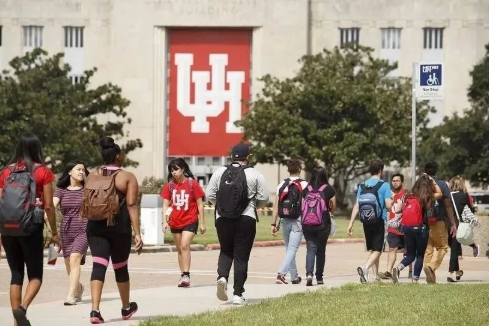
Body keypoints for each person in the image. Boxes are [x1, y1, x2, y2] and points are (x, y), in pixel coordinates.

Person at [0, 133, 61, 326]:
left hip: (8, 229)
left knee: (16, 274)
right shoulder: (43, 171)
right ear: (37, 149)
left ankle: (16, 323)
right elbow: (49, 206)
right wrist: (54, 233)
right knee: (35, 275)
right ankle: (23, 308)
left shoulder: (6, 171)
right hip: (31, 227)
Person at [85, 137, 143, 324]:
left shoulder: (92, 174)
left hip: (95, 226)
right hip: (119, 228)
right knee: (120, 266)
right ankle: (126, 308)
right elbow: (132, 205)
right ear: (118, 155)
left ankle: (95, 310)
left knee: (98, 266)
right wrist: (137, 233)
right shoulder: (127, 177)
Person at [206, 143, 269, 305]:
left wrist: (221, 207)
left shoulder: (220, 171)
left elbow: (210, 194)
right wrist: (253, 206)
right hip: (246, 218)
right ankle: (238, 294)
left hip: (222, 218)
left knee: (226, 251)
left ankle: (222, 277)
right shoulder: (255, 174)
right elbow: (264, 199)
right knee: (241, 257)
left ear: (231, 156)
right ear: (248, 157)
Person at [161, 157, 206, 287]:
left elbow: (200, 205)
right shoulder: (169, 186)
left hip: (190, 220)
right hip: (175, 221)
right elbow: (165, 205)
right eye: (171, 170)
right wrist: (165, 221)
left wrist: (202, 223)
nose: (174, 172)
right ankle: (182, 276)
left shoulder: (192, 184)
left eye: (176, 169)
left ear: (183, 169)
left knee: (185, 245)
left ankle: (186, 275)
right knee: (180, 248)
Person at [347, 158, 393, 283]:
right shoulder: (385, 185)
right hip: (379, 219)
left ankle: (375, 276)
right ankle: (365, 267)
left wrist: (351, 223)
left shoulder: (362, 185)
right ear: (380, 170)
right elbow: (388, 205)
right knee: (378, 250)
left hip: (366, 220)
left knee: (373, 248)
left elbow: (357, 205)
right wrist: (393, 200)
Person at [392, 175, 442, 283]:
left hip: (407, 228)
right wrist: (433, 181)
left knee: (410, 254)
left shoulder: (408, 195)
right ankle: (415, 279)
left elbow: (399, 209)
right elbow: (440, 193)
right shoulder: (426, 196)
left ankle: (398, 268)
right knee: (419, 255)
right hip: (421, 228)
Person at [53, 161, 90, 305]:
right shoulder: (61, 190)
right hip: (66, 230)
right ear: (69, 172)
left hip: (83, 228)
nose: (81, 172)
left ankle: (71, 296)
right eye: (78, 169)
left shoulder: (87, 189)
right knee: (69, 265)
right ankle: (78, 288)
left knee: (75, 259)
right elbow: (52, 205)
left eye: (83, 170)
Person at [271, 159, 308, 285]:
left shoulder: (281, 185)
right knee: (292, 249)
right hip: (298, 220)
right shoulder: (304, 185)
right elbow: (305, 205)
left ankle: (294, 277)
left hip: (284, 219)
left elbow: (276, 206)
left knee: (289, 249)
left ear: (288, 170)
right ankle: (281, 274)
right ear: (299, 169)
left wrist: (273, 223)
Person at [301, 166, 336, 286]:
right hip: (323, 224)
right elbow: (333, 208)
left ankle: (309, 274)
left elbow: (303, 206)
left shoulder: (307, 189)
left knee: (310, 248)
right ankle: (319, 277)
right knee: (321, 250)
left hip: (306, 224)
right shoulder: (329, 189)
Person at [423, 162, 457, 284]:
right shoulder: (442, 185)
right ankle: (431, 267)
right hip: (439, 221)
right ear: (437, 171)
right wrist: (453, 223)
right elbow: (448, 205)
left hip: (425, 222)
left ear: (425, 171)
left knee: (429, 248)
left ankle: (429, 273)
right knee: (443, 247)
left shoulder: (421, 184)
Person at [379, 173, 412, 279]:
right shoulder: (388, 194)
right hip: (393, 228)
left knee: (409, 251)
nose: (395, 182)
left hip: (405, 227)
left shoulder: (407, 193)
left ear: (402, 182)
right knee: (392, 249)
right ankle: (389, 271)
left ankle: (410, 271)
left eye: (397, 180)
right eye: (393, 181)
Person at [447, 176, 476, 282]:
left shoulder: (447, 195)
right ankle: (453, 273)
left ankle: (453, 273)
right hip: (458, 224)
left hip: (446, 225)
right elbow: (470, 210)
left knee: (453, 248)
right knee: (455, 249)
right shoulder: (463, 196)